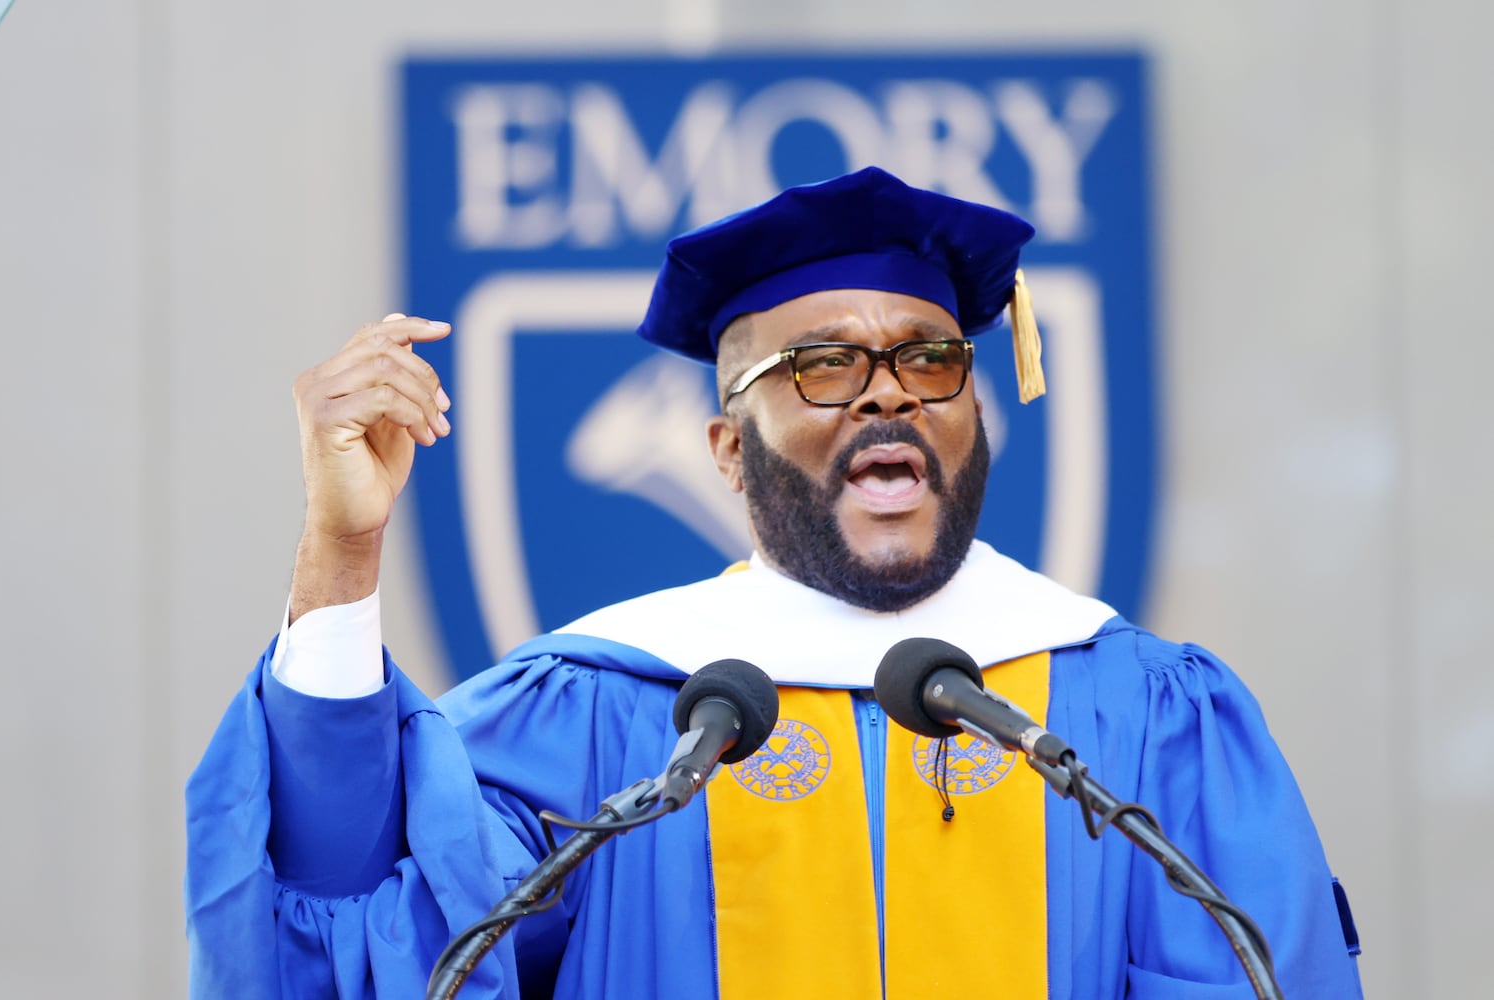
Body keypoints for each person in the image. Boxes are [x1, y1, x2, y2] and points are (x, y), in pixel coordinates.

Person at [185, 167, 1364, 999]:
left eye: (930, 355)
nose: (889, 392)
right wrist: (343, 555)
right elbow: (355, 929)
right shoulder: (603, 718)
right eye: (822, 366)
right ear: (727, 449)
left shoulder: (1145, 723)